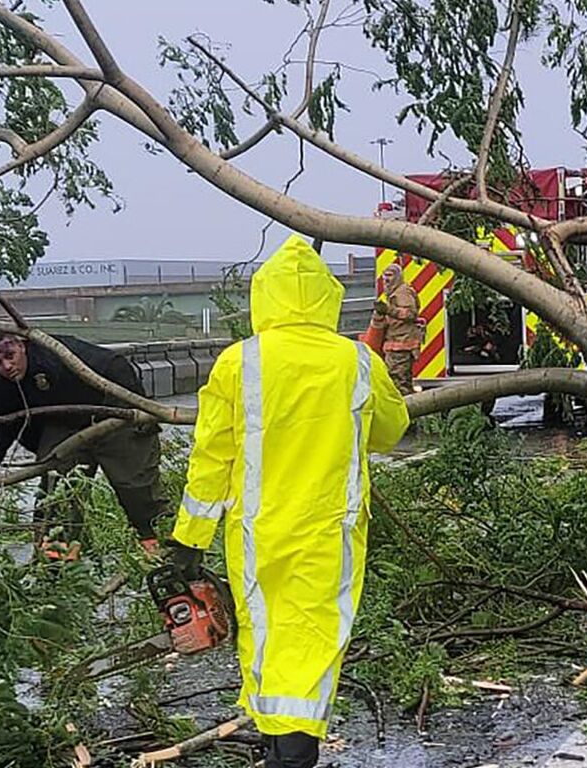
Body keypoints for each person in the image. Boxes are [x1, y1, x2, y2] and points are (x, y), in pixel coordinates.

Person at [166, 235, 409, 767]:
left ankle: (283, 748)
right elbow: (391, 430)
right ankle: (293, 754)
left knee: (265, 633)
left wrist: (188, 539)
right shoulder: (357, 362)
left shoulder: (238, 362)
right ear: (326, 298)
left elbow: (212, 458)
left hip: (257, 533)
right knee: (314, 636)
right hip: (330, 532)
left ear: (264, 297)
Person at [0, 330, 168, 558]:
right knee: (57, 489)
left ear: (22, 346)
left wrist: (134, 410)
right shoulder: (1, 387)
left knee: (135, 484)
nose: (6, 366)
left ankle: (157, 543)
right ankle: (57, 557)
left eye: (10, 356)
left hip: (111, 413)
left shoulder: (56, 353)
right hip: (64, 425)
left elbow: (115, 365)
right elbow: (2, 428)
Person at [372, 262, 423, 392]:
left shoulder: (402, 293)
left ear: (397, 277)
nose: (386, 280)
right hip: (396, 344)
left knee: (399, 384)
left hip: (402, 345)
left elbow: (410, 313)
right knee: (398, 382)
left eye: (389, 276)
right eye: (384, 277)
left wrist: (389, 310)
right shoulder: (395, 293)